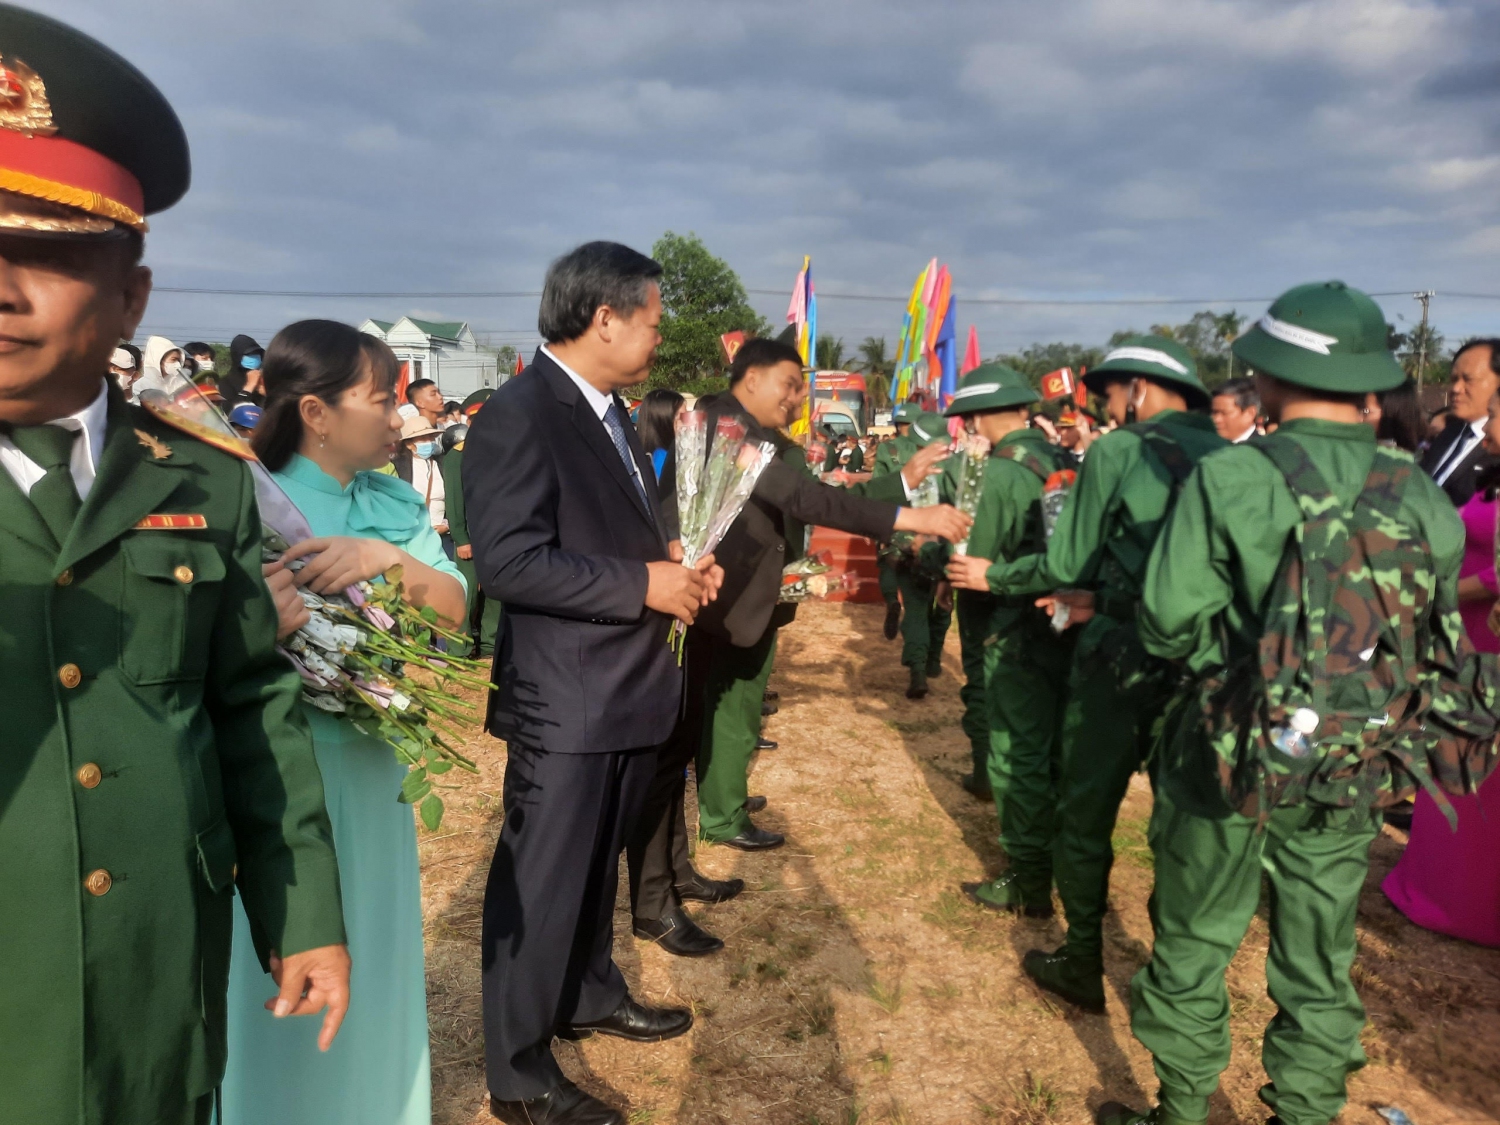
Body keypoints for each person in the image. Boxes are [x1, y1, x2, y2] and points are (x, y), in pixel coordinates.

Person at [0, 9, 349, 1122]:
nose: (3, 291)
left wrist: (304, 914)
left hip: (152, 977)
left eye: (46, 255)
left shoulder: (201, 478)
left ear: (132, 297)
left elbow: (248, 702)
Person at [1107, 280, 1500, 1125]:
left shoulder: (1235, 475)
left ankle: (1179, 1113)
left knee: (1193, 945)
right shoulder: (1424, 494)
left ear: (1271, 373)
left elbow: (1167, 622)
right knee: (1319, 963)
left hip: (1227, 756)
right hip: (1354, 767)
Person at [464, 241, 722, 1125]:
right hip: (564, 698)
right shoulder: (520, 412)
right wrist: (640, 584)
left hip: (622, 689)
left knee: (590, 868)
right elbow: (507, 561)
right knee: (540, 882)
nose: (657, 338)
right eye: (650, 321)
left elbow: (607, 532)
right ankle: (520, 1070)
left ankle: (589, 991)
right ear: (602, 317)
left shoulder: (610, 412)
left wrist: (673, 564)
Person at [636, 339, 965, 958]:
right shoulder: (719, 427)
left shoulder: (729, 427)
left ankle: (673, 877)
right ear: (752, 378)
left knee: (676, 750)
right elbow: (806, 500)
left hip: (713, 609)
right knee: (666, 757)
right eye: (789, 385)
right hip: (693, 610)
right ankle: (654, 901)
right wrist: (911, 519)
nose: (797, 400)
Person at [219, 321, 464, 1125]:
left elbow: (457, 614)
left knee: (374, 944)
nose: (398, 416)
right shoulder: (237, 496)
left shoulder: (390, 498)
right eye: (380, 398)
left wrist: (384, 559)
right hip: (279, 769)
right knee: (283, 955)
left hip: (374, 764)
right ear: (318, 413)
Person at [949, 335, 1225, 1009]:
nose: (1107, 409)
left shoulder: (1119, 451)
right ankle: (1176, 975)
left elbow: (1066, 560)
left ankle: (1081, 959)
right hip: (1206, 667)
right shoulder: (1231, 455)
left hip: (1121, 658)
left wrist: (995, 574)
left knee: (1085, 811)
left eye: (1110, 396)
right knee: (1181, 823)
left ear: (1140, 389)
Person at [942, 366, 1078, 912]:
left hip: (1009, 629)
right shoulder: (1056, 458)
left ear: (974, 417)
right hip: (1060, 624)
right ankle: (1055, 862)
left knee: (1015, 755)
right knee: (1048, 752)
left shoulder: (998, 474)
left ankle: (1027, 878)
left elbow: (971, 556)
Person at [1382, 386, 1500, 948]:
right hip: (1466, 638)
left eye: (1498, 412)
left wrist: (1441, 591)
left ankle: (1470, 905)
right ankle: (1432, 884)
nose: (1490, 417)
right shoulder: (1489, 471)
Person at [892, 412, 959, 699]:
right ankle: (932, 662)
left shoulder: (914, 470)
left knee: (917, 612)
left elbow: (896, 510)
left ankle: (918, 671)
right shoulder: (960, 471)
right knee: (943, 607)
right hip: (948, 553)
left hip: (914, 551)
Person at [443, 389, 502, 658]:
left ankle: (490, 643)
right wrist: (461, 538)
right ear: (470, 421)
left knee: (496, 592)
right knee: (466, 595)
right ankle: (460, 648)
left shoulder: (504, 449)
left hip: (498, 534)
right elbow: (455, 501)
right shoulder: (458, 454)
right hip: (470, 535)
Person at [1421, 337, 1500, 507]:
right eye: (1454, 379)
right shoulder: (1449, 433)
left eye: (1468, 379)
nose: (1456, 389)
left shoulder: (1496, 446)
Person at [871, 401, 920, 639]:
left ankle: (891, 601)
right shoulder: (927, 447)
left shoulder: (886, 449)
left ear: (897, 424)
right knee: (917, 575)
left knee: (887, 564)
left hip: (894, 516)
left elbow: (878, 486)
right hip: (922, 518)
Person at [399, 413, 448, 541]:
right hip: (412, 536)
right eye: (422, 439)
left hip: (441, 536)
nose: (428, 442)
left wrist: (447, 525)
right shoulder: (399, 467)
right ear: (409, 444)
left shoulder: (443, 464)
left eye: (430, 438)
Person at [636, 386, 685, 481]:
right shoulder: (663, 459)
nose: (687, 424)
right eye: (682, 418)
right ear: (664, 421)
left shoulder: (643, 457)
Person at [1209, 376, 1260, 442]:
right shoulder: (1208, 448)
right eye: (1214, 412)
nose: (1216, 419)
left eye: (1225, 413)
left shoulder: (1262, 450)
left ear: (1250, 414)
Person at [220, 333, 266, 406]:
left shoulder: (263, 381)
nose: (254, 357)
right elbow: (230, 412)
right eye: (248, 354)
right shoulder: (226, 383)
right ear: (237, 357)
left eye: (257, 353)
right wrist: (249, 388)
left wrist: (266, 395)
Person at [137, 333, 184, 398]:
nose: (178, 364)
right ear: (160, 360)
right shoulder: (141, 385)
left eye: (179, 360)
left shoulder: (181, 383)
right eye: (173, 359)